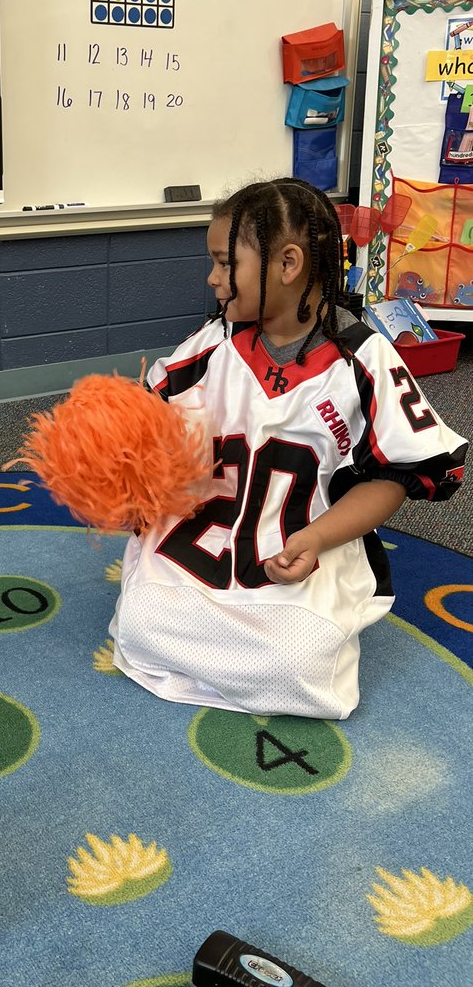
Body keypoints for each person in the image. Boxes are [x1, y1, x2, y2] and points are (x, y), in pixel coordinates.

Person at [110, 178, 467, 719]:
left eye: (224, 264)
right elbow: (145, 425)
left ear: (288, 263)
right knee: (140, 620)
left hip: (297, 543)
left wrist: (317, 538)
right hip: (206, 537)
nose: (212, 279)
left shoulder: (363, 360)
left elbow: (398, 476)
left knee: (296, 661)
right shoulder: (210, 346)